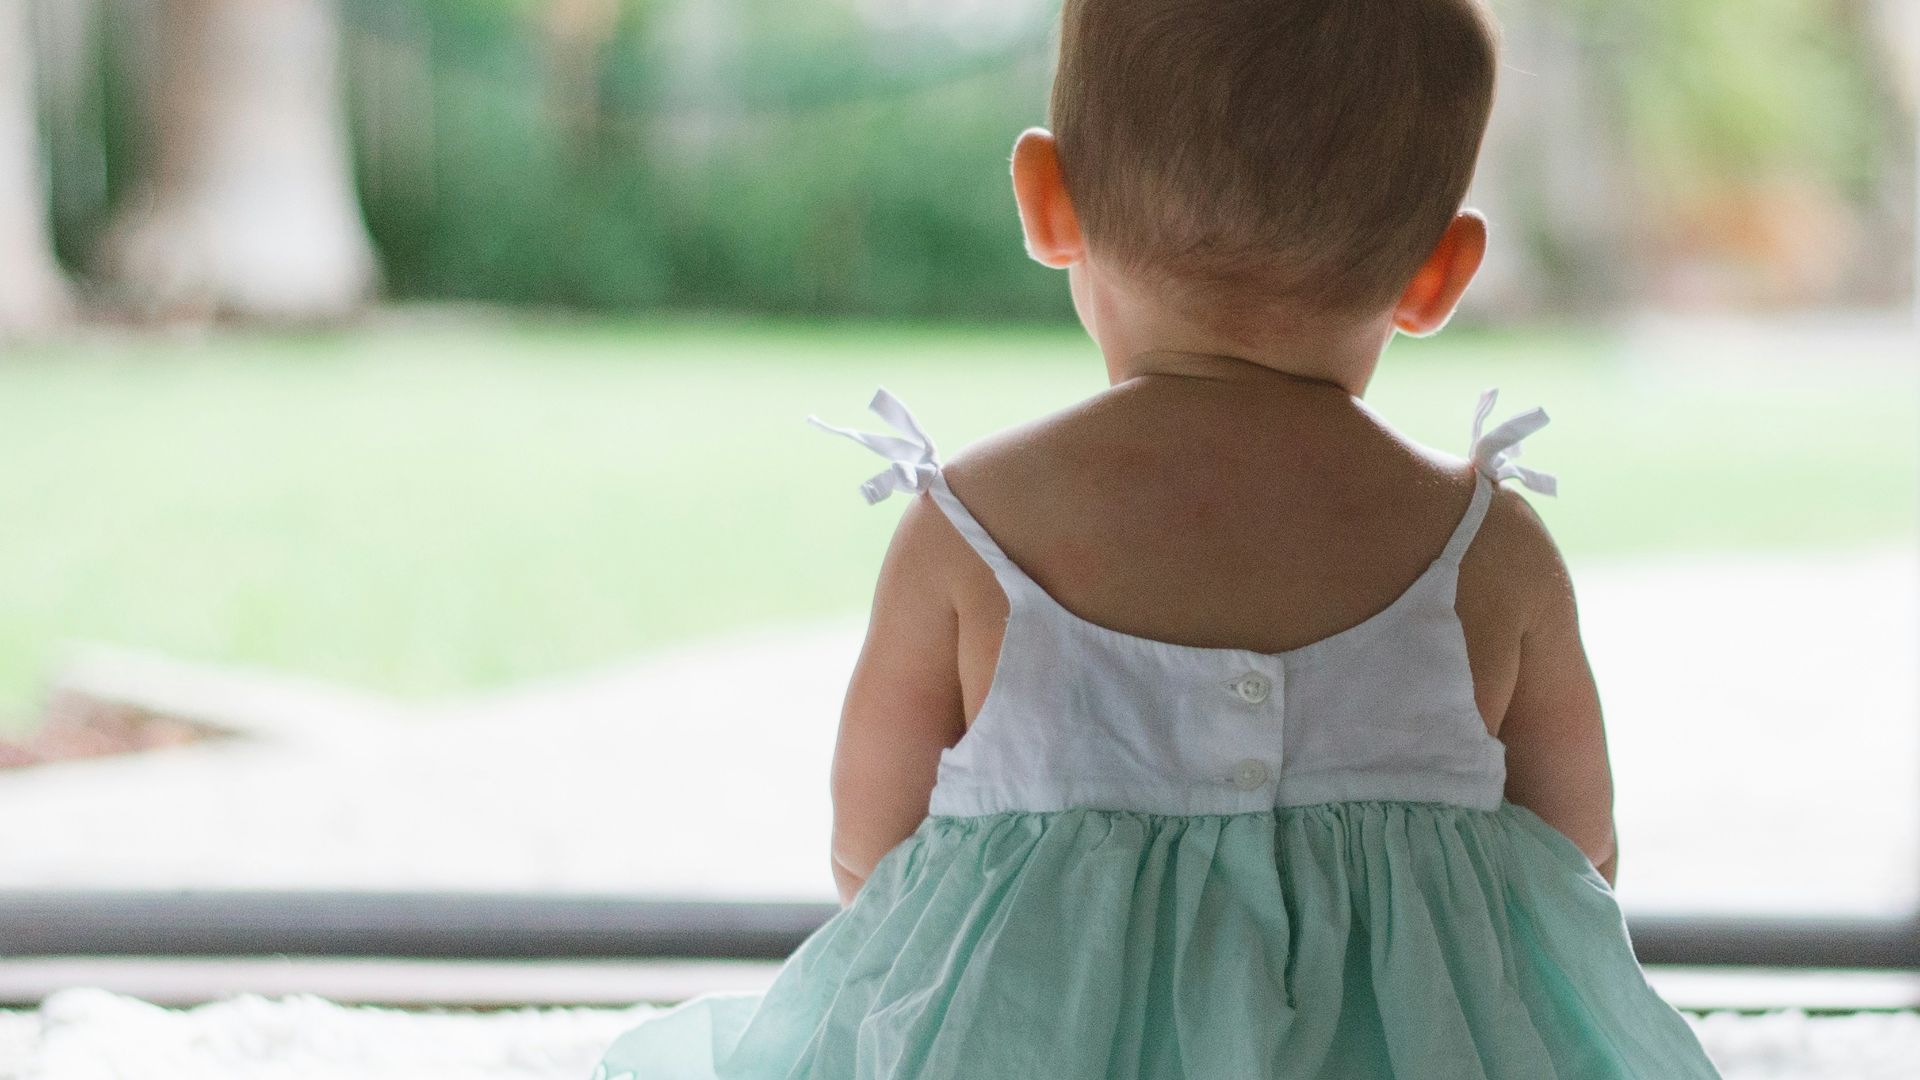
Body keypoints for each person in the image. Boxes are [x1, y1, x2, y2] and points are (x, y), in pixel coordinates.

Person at [591, 0, 1725, 1075]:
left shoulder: (971, 534)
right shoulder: (1491, 550)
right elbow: (1576, 871)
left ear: (1046, 199)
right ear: (1440, 273)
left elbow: (871, 858)